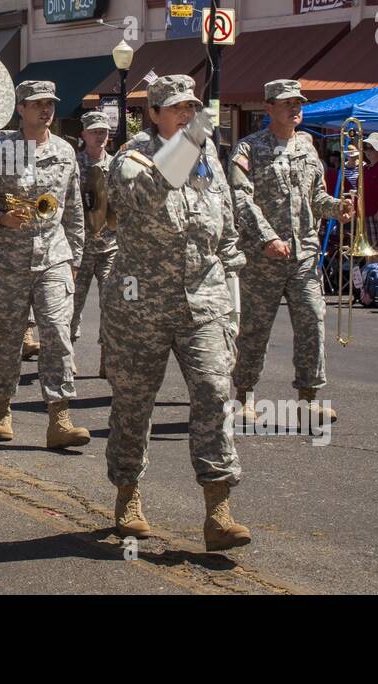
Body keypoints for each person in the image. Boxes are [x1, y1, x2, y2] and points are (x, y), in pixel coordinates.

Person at [103, 75, 249, 549]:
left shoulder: (207, 156)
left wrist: (231, 292)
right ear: (154, 113)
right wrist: (190, 144)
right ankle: (128, 491)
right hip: (140, 302)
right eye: (176, 108)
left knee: (212, 390)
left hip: (203, 299)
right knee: (134, 401)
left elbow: (225, 222)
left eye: (191, 107)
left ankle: (218, 509)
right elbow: (147, 193)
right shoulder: (131, 157)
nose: (187, 115)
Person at [0, 79, 87, 448]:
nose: (45, 109)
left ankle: (59, 417)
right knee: (5, 339)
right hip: (8, 263)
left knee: (56, 335)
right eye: (37, 104)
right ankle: (1, 408)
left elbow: (75, 208)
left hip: (53, 258)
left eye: (49, 103)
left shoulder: (66, 151)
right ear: (20, 108)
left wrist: (76, 259)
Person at [229, 80, 353, 425]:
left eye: (298, 102)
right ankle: (244, 397)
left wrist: (336, 208)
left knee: (312, 321)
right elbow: (241, 199)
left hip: (303, 255)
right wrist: (267, 237)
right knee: (254, 329)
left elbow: (316, 198)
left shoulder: (308, 146)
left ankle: (308, 399)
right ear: (268, 107)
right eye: (286, 103)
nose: (295, 108)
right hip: (262, 258)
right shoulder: (249, 149)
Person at [70, 110, 118, 377]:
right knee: (72, 305)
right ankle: (68, 355)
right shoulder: (73, 165)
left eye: (104, 132)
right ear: (84, 135)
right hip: (80, 248)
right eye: (95, 131)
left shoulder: (117, 165)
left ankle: (107, 357)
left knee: (111, 304)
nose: (101, 136)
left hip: (110, 247)